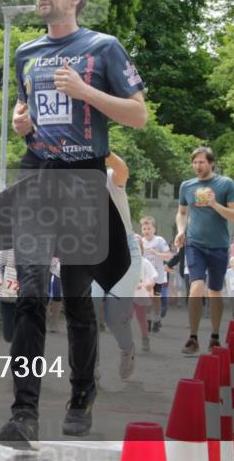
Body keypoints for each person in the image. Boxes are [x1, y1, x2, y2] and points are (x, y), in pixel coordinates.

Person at [0, 0, 147, 448]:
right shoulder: (26, 52)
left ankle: (82, 393)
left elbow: (139, 114)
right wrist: (21, 123)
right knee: (31, 293)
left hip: (84, 176)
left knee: (79, 298)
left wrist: (85, 91)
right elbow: (25, 111)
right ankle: (23, 413)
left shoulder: (102, 47)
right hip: (38, 174)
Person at [175, 146, 234, 355]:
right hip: (194, 244)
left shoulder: (225, 184)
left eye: (202, 162)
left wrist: (214, 203)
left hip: (219, 245)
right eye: (195, 162)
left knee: (214, 292)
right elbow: (182, 212)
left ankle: (214, 335)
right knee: (195, 288)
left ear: (212, 163)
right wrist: (180, 231)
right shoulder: (187, 186)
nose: (198, 166)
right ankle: (193, 337)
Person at [91, 152, 140, 382]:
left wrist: (104, 150)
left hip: (124, 250)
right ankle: (90, 369)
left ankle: (127, 348)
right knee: (88, 313)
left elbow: (123, 170)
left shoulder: (111, 177)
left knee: (113, 317)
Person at [139, 216, 172, 333]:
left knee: (155, 299)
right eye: (144, 229)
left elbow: (168, 256)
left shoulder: (159, 240)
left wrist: (156, 253)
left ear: (154, 229)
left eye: (149, 228)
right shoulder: (141, 242)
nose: (146, 231)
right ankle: (147, 321)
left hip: (158, 276)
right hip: (145, 277)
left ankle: (157, 319)